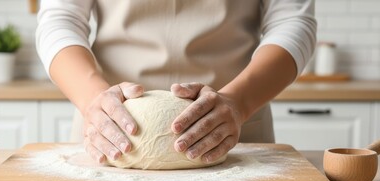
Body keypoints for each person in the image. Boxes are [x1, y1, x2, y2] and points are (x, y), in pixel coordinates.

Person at [36, 0, 316, 164]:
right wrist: (92, 99)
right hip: (109, 131)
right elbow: (60, 19)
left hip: (233, 128)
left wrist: (238, 102)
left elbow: (293, 22)